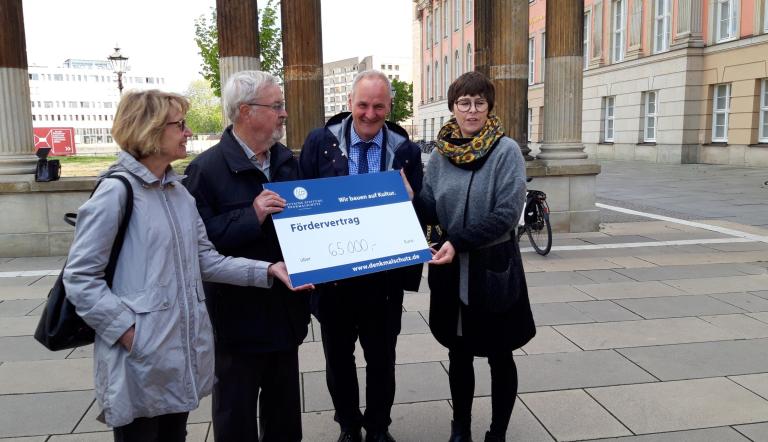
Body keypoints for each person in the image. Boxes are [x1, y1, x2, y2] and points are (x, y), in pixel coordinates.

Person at [63, 89, 309, 442]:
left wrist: (268, 270)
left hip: (177, 351)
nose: (188, 132)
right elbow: (80, 278)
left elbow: (206, 259)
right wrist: (128, 332)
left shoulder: (177, 192)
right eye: (179, 125)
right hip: (140, 354)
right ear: (149, 130)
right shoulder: (115, 192)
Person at [183, 70, 310, 441]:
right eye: (276, 106)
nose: (284, 113)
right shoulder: (204, 171)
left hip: (285, 312)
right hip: (236, 320)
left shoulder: (287, 161)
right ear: (245, 112)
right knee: (235, 416)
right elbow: (200, 246)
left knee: (285, 416)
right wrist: (251, 215)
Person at [299, 70, 424, 442]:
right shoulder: (321, 143)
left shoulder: (406, 151)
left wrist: (410, 200)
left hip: (383, 279)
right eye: (363, 105)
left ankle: (379, 428)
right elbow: (301, 202)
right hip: (334, 277)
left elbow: (421, 217)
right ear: (350, 103)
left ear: (389, 107)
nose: (370, 114)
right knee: (338, 360)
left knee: (382, 359)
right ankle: (349, 427)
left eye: (379, 106)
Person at [417, 71, 536, 442]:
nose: (472, 110)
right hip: (451, 270)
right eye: (464, 103)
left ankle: (497, 432)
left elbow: (505, 215)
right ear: (453, 107)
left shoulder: (506, 151)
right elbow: (432, 207)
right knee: (459, 353)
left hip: (491, 268)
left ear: (489, 107)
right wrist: (409, 199)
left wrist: (460, 241)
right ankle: (461, 429)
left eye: (479, 103)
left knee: (501, 355)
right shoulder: (439, 155)